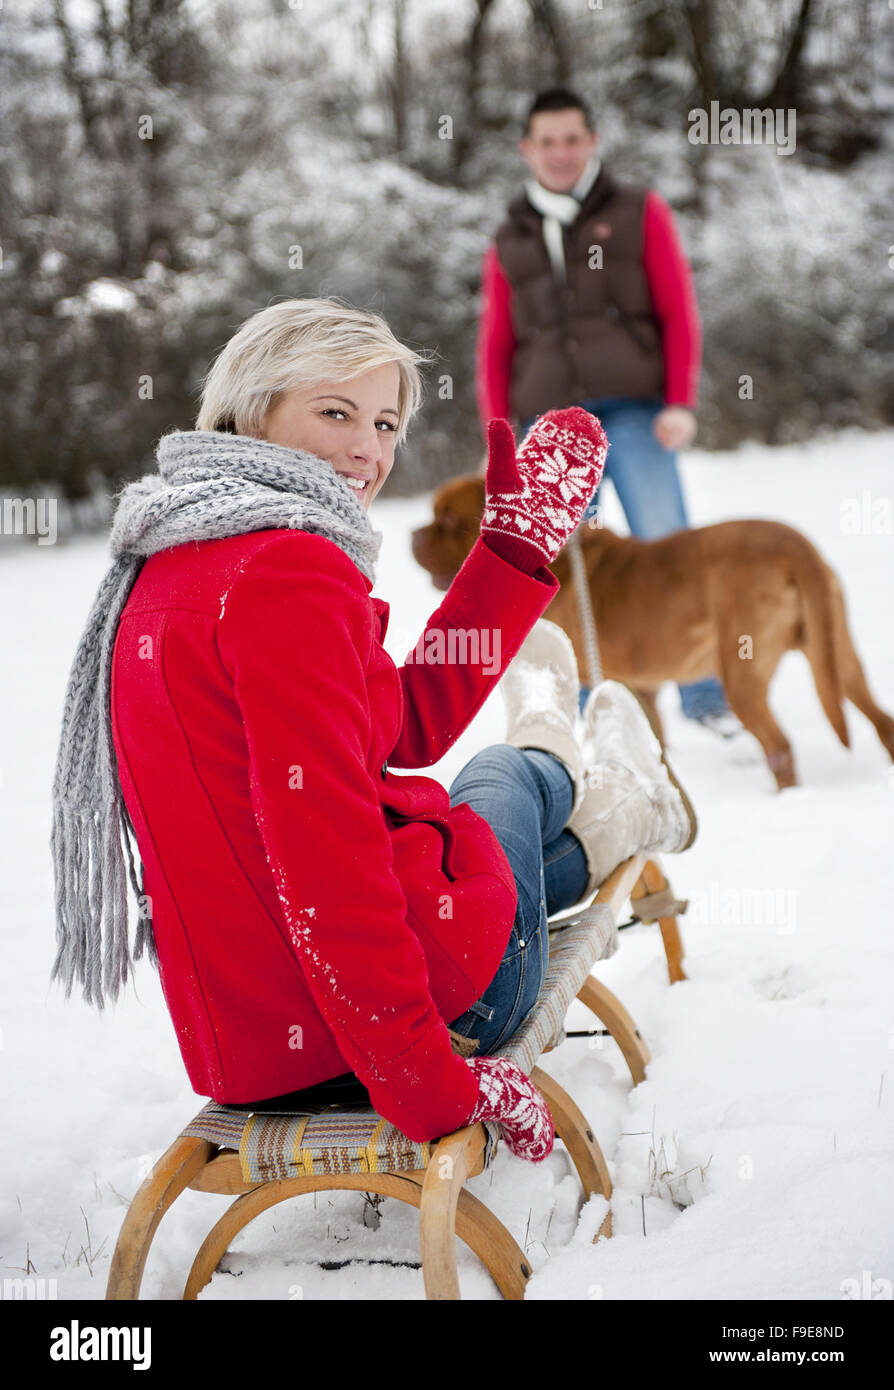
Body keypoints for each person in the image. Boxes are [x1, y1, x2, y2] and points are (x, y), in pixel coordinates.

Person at [49, 295, 696, 1167]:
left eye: (387, 422)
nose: (370, 449)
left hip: (258, 1048)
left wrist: (507, 553)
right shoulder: (289, 570)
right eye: (335, 412)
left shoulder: (167, 561)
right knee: (502, 775)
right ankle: (608, 786)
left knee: (488, 799)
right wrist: (433, 1083)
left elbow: (399, 726)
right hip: (429, 1016)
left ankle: (596, 776)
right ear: (252, 408)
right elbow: (327, 858)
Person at [476, 85, 740, 736]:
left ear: (592, 142)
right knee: (569, 567)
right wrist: (501, 435)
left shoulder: (636, 210)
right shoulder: (509, 234)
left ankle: (705, 694)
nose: (560, 152)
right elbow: (496, 340)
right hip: (550, 420)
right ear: (526, 149)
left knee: (666, 545)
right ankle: (591, 703)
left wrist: (680, 400)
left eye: (572, 138)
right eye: (547, 141)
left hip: (635, 409)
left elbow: (679, 308)